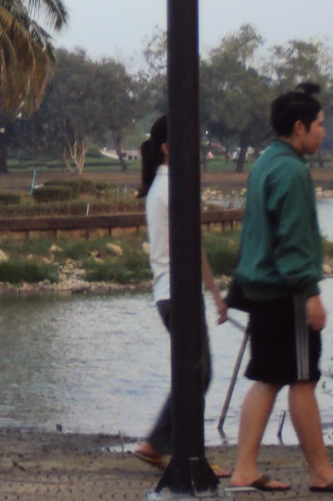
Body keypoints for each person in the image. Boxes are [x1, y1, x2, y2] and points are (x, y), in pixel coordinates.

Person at [229, 84, 333, 493]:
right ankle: (322, 472)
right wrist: (310, 292)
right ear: (299, 127)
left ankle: (244, 469)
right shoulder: (290, 170)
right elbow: (293, 239)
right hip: (285, 289)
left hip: (259, 288)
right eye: (321, 125)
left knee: (268, 378)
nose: (325, 132)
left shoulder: (264, 163)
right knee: (302, 379)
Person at [132, 116, 230, 477]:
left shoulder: (162, 185)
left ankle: (161, 443)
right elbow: (193, 247)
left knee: (197, 372)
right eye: (185, 140)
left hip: (170, 293)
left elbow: (190, 245)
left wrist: (214, 295)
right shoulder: (173, 187)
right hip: (178, 294)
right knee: (197, 373)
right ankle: (176, 450)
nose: (194, 147)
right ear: (166, 148)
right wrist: (217, 295)